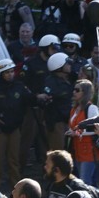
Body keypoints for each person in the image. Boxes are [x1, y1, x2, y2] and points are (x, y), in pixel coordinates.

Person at [0, 59, 48, 190]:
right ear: (1, 74)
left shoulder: (20, 87)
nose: (10, 74)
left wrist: (40, 98)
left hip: (15, 129)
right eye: (7, 72)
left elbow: (31, 99)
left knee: (14, 160)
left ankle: (16, 187)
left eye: (12, 71)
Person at [19, 34, 61, 172]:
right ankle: (20, 171)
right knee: (26, 140)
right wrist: (36, 96)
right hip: (32, 108)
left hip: (49, 108)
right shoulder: (30, 64)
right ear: (44, 48)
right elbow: (22, 86)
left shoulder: (55, 64)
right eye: (52, 48)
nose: (55, 51)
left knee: (46, 141)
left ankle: (47, 172)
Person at [66, 79, 99, 185]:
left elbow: (96, 130)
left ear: (85, 92)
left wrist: (77, 133)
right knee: (82, 180)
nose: (74, 92)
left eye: (77, 90)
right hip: (77, 151)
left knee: (85, 182)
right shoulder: (74, 109)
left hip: (89, 152)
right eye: (74, 90)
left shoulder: (91, 108)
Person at [44, 52, 74, 151]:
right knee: (58, 152)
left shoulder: (68, 80)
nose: (70, 66)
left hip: (68, 121)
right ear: (59, 66)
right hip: (57, 123)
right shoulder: (51, 83)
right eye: (67, 64)